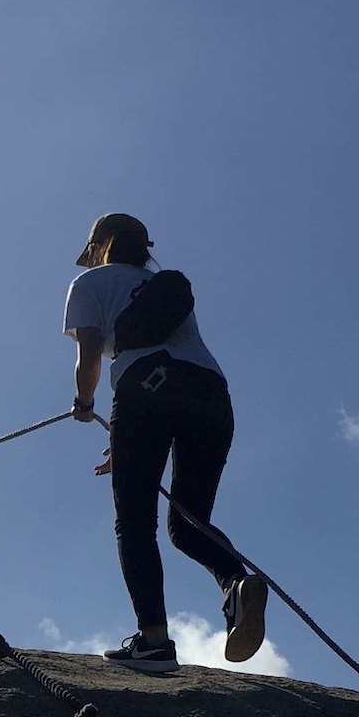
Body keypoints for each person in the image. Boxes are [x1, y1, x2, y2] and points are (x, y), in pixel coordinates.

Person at [63, 212, 266, 672]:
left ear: (105, 244)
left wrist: (84, 402)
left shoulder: (90, 285)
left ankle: (154, 642)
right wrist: (126, 437)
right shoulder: (165, 289)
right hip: (212, 395)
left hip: (142, 390)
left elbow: (91, 356)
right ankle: (236, 583)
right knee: (188, 523)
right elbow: (177, 364)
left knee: (135, 523)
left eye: (93, 250)